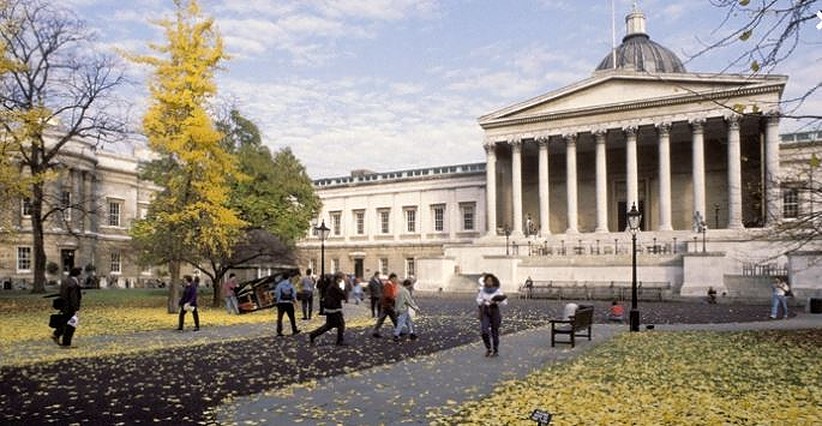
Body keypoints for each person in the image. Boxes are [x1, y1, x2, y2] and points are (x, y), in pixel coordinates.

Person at [309, 271, 347, 346]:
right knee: (341, 324)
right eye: (341, 278)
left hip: (331, 308)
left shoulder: (333, 285)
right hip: (334, 308)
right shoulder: (334, 286)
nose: (342, 280)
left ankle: (313, 334)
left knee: (329, 325)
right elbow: (343, 295)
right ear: (338, 278)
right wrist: (344, 289)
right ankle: (339, 341)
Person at [476, 273, 507, 357]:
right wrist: (483, 301)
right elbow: (478, 300)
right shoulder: (482, 290)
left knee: (494, 331)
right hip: (485, 310)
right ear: (485, 282)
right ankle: (488, 348)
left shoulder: (497, 290)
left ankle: (495, 350)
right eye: (487, 280)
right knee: (484, 331)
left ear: (493, 282)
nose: (489, 282)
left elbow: (504, 302)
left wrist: (496, 301)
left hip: (494, 310)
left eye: (490, 281)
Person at [52, 267, 83, 347]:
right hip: (70, 307)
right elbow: (73, 297)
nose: (81, 276)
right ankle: (66, 343)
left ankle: (57, 334)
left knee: (66, 322)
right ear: (77, 274)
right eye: (80, 274)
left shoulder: (65, 281)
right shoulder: (73, 283)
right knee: (71, 325)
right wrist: (76, 308)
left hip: (64, 306)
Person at [372, 273, 399, 338]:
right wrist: (394, 298)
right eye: (395, 279)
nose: (396, 280)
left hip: (386, 304)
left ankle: (375, 331)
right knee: (394, 318)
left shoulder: (391, 285)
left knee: (384, 318)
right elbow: (388, 295)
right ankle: (399, 331)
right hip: (388, 304)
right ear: (392, 278)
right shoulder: (388, 285)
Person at [274, 272, 300, 336]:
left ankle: (279, 331)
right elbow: (294, 295)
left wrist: (277, 302)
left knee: (280, 318)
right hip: (289, 303)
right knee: (292, 317)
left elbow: (277, 294)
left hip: (281, 303)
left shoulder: (279, 285)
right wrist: (296, 303)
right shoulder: (291, 285)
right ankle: (294, 330)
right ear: (288, 277)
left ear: (283, 278)